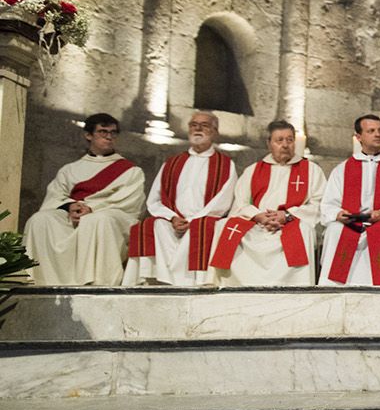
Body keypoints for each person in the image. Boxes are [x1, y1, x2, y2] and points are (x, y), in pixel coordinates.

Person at [23, 113, 146, 286]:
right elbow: (55, 195)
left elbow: (130, 201)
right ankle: (42, 281)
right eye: (103, 132)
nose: (109, 136)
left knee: (97, 220)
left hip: (110, 215)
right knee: (39, 220)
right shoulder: (70, 169)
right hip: (74, 214)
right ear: (88, 135)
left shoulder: (131, 171)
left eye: (113, 132)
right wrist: (70, 206)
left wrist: (91, 208)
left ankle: (99, 284)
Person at [123, 111, 236, 286]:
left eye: (204, 125)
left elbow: (223, 200)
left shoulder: (225, 164)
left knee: (200, 228)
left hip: (202, 220)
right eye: (193, 125)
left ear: (214, 131)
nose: (197, 129)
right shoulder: (172, 162)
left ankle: (190, 281)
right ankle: (161, 278)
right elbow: (155, 198)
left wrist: (192, 220)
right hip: (173, 220)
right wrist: (172, 218)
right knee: (155, 224)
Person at [211, 121, 327, 287]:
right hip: (257, 223)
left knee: (304, 230)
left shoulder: (311, 170)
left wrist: (286, 215)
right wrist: (258, 216)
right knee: (223, 226)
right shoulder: (253, 170)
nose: (285, 145)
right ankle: (231, 285)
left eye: (289, 140)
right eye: (279, 140)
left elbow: (319, 204)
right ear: (269, 143)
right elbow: (240, 202)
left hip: (291, 222)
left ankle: (296, 287)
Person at [318, 114, 380, 286]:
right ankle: (335, 293)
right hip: (350, 222)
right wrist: (338, 214)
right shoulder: (342, 170)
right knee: (335, 230)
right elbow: (328, 204)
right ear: (358, 137)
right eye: (371, 131)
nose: (377, 134)